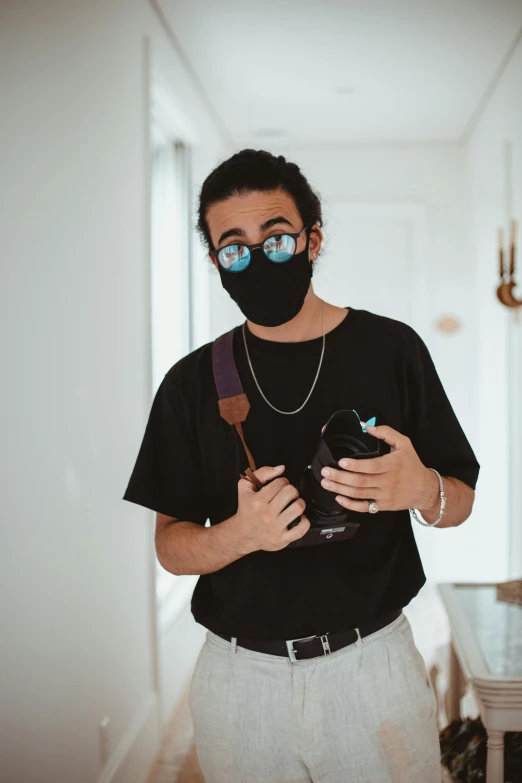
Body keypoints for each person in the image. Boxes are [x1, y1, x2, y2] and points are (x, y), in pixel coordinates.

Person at [122, 149, 480, 783]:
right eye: (233, 247)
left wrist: (424, 488)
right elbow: (171, 547)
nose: (256, 259)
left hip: (374, 672)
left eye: (277, 239)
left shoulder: (392, 348)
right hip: (240, 684)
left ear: (313, 239)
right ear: (214, 262)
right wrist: (242, 534)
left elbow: (459, 500)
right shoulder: (190, 384)